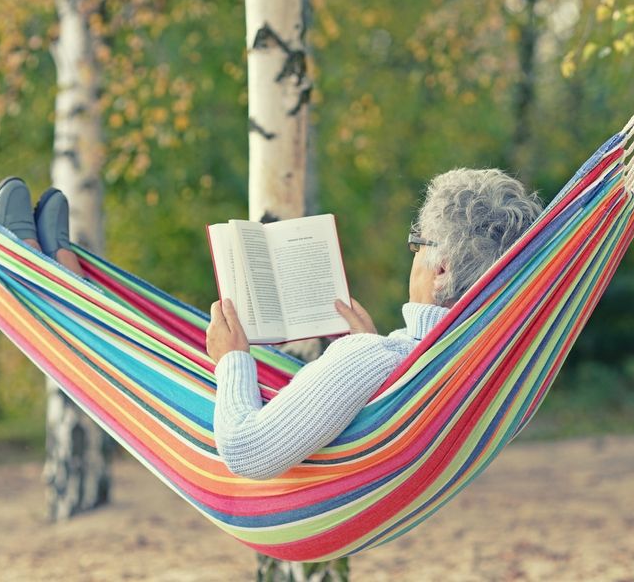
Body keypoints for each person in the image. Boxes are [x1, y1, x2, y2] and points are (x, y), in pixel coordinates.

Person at [206, 169, 543, 480]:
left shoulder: (374, 357)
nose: (414, 255)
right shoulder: (487, 361)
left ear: (441, 269)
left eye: (418, 243)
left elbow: (246, 451)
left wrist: (231, 359)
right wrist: (369, 360)